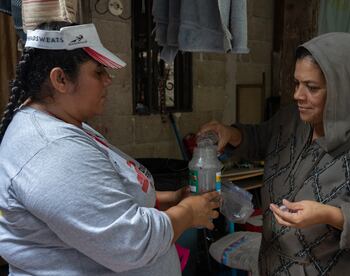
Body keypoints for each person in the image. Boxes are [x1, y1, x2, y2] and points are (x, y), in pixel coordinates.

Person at [0, 21, 220, 276]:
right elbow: (131, 242)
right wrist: (188, 212)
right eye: (98, 72)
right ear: (60, 79)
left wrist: (170, 198)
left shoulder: (66, 124)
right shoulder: (52, 152)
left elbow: (104, 195)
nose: (109, 80)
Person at [200, 32, 350, 275]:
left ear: (346, 91)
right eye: (297, 83)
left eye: (312, 87)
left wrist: (334, 216)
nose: (298, 95)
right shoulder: (293, 119)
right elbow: (262, 138)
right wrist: (231, 133)